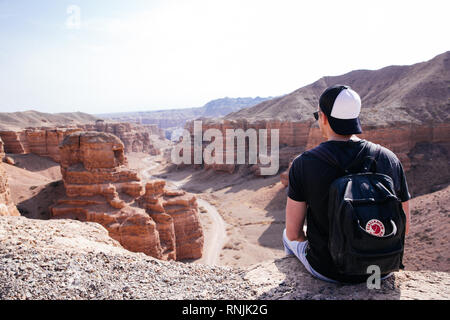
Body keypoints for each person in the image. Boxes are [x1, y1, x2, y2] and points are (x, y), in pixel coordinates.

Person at [283, 85, 411, 284]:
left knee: (285, 237)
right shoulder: (388, 158)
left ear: (323, 118)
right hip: (380, 270)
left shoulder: (304, 163)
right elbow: (405, 226)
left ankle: (292, 282)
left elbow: (294, 233)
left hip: (328, 271)